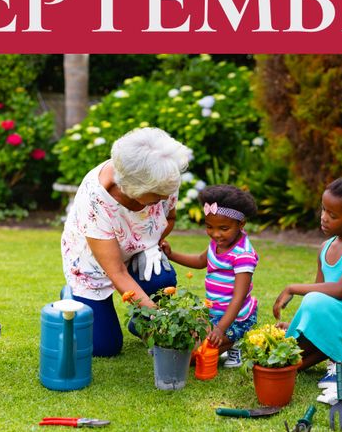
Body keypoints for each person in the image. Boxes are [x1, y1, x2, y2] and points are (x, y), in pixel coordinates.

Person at [61, 127, 190, 357]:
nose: (165, 198)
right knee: (105, 347)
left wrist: (152, 246)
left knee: (162, 277)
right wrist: (160, 318)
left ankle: (139, 322)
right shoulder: (96, 198)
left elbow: (169, 218)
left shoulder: (164, 176)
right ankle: (71, 297)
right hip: (93, 265)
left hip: (135, 250)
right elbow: (117, 271)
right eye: (158, 195)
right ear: (132, 189)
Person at [272, 168, 342, 387]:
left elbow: (340, 289)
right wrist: (297, 325)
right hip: (336, 320)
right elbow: (319, 297)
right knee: (288, 363)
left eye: (333, 215)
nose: (324, 218)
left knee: (312, 301)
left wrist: (292, 288)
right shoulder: (326, 247)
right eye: (324, 209)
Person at [160, 184, 259, 368]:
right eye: (209, 227)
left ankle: (238, 340)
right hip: (214, 314)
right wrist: (171, 255)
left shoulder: (243, 255)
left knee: (190, 359)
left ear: (241, 224)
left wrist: (221, 329)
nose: (215, 234)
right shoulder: (217, 244)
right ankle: (223, 342)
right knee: (180, 339)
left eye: (223, 228)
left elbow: (238, 297)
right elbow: (199, 260)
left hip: (236, 319)